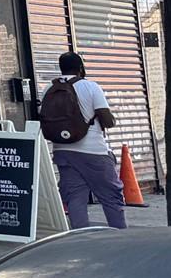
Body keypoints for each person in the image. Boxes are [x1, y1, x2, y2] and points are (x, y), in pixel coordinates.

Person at [45, 51, 126, 229]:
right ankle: (120, 236)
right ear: (81, 68)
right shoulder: (90, 87)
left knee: (75, 197)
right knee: (111, 196)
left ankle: (81, 238)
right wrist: (110, 119)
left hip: (62, 151)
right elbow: (107, 120)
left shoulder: (49, 89)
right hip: (93, 152)